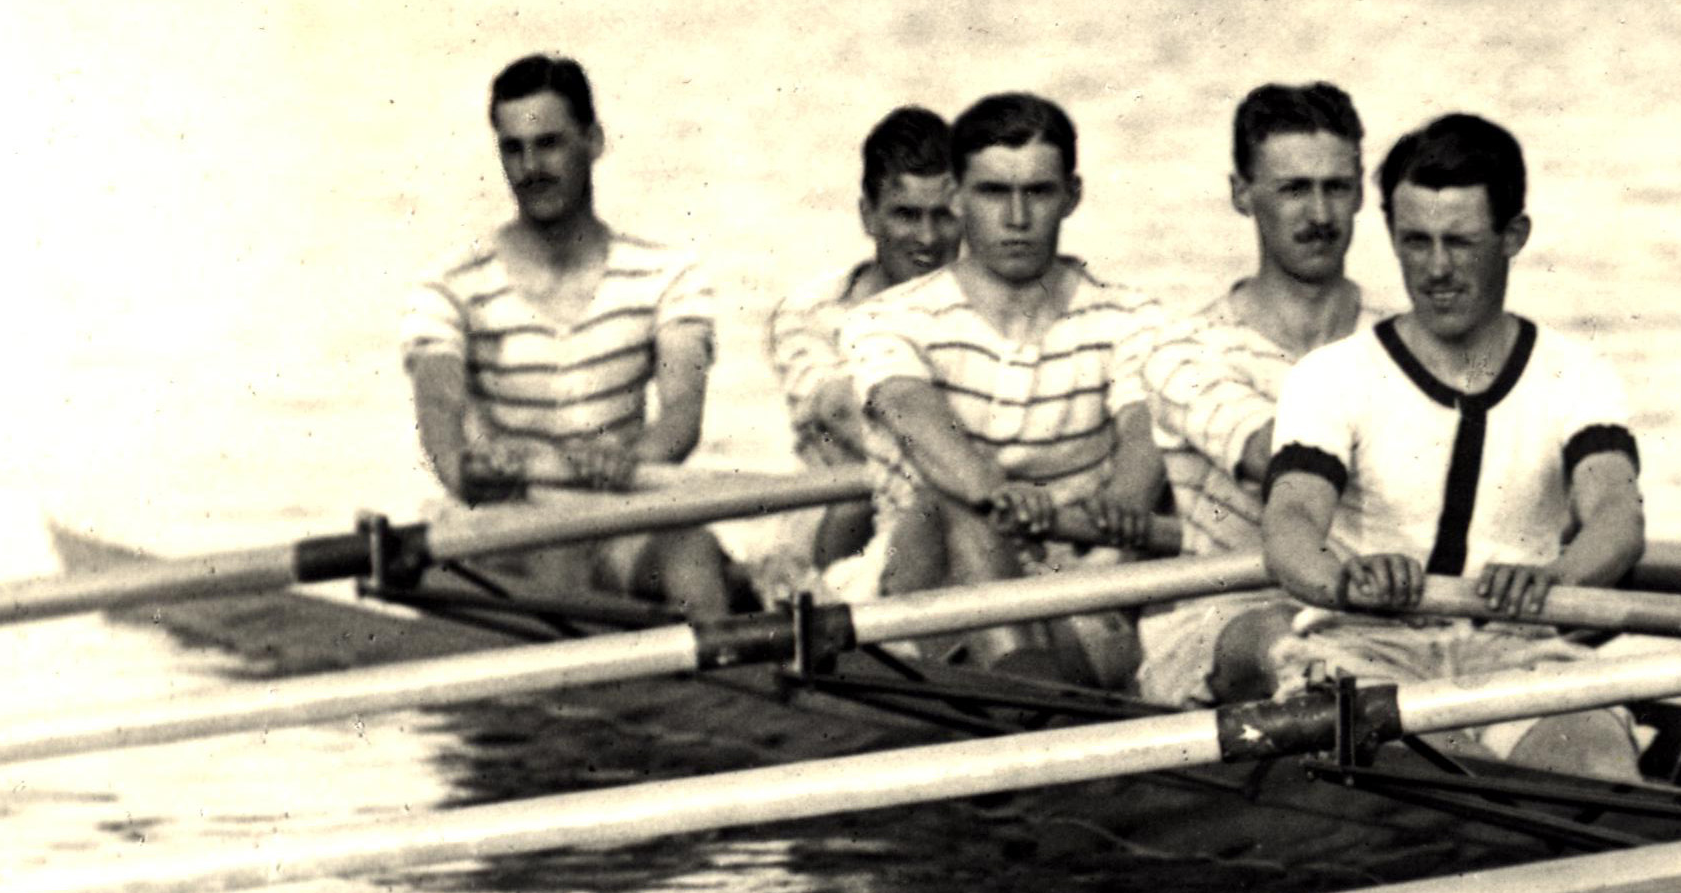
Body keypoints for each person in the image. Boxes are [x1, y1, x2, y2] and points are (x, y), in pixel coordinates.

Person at [1261, 112, 1645, 778]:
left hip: (1518, 646)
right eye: (1416, 242)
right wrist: (1346, 580)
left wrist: (1556, 579)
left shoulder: (1577, 373)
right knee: (1435, 777)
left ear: (1513, 236)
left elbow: (1617, 515)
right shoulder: (1331, 375)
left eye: (1461, 243)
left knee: (1600, 768)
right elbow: (1289, 522)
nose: (1437, 269)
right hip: (1363, 646)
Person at [848, 91, 1169, 687]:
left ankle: (1024, 691)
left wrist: (1128, 498)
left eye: (1038, 192)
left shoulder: (1133, 317)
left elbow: (1143, 421)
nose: (1017, 218)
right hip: (915, 600)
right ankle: (1030, 698)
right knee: (955, 503)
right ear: (956, 196)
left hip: (1079, 588)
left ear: (1072, 195)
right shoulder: (888, 318)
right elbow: (911, 409)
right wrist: (994, 490)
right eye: (994, 192)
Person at [401, 51, 738, 617]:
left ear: (594, 141)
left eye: (550, 144)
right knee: (551, 559)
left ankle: (725, 666)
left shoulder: (667, 275)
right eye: (513, 149)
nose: (531, 167)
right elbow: (440, 421)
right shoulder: (448, 286)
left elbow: (681, 417)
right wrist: (468, 467)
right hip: (506, 519)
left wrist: (631, 457)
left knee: (693, 553)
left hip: (617, 508)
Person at [1133, 81, 1373, 708]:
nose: (1319, 215)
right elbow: (1286, 459)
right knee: (1290, 635)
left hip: (1377, 614)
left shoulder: (1401, 337)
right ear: (1242, 194)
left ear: (1361, 192)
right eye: (1294, 190)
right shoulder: (1185, 351)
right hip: (1229, 620)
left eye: (1336, 188)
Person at [749, 105, 962, 601]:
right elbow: (841, 411)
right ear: (868, 215)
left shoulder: (990, 308)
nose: (927, 238)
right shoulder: (810, 312)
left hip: (943, 506)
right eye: (907, 215)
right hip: (835, 518)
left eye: (944, 216)